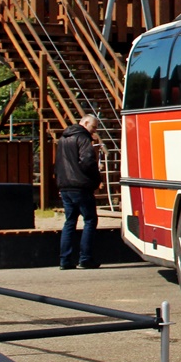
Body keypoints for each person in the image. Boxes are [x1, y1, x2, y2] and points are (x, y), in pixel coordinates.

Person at [55, 114, 102, 269]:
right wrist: (96, 176)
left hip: (65, 186)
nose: (94, 131)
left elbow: (59, 163)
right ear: (85, 123)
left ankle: (65, 260)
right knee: (90, 220)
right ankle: (86, 258)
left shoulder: (63, 139)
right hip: (80, 186)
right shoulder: (83, 138)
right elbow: (87, 160)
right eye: (93, 127)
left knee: (69, 221)